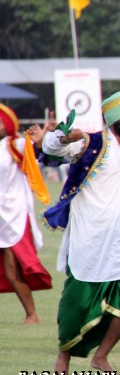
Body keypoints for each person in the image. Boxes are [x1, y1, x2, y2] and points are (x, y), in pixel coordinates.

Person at [42, 91, 120, 375]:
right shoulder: (89, 142)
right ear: (113, 117)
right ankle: (63, 358)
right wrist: (62, 137)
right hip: (89, 238)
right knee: (77, 303)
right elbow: (51, 149)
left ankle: (101, 355)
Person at [0, 104, 52, 324]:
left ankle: (32, 314)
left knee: (13, 270)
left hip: (14, 214)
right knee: (9, 272)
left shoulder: (13, 144)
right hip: (0, 217)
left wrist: (46, 134)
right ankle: (31, 314)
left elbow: (34, 145)